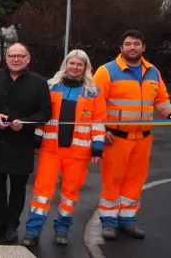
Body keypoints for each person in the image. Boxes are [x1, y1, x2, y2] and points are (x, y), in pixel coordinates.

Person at [94, 30, 171, 241]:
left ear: (143, 48)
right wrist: (102, 130)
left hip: (143, 138)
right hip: (115, 138)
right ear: (121, 48)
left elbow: (161, 100)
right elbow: (95, 104)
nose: (132, 47)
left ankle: (127, 221)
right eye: (128, 44)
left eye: (136, 44)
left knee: (135, 181)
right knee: (113, 180)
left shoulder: (153, 72)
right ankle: (108, 222)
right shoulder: (106, 71)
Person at [22, 50, 106, 247]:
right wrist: (37, 138)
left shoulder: (94, 92)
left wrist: (98, 147)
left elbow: (99, 121)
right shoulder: (51, 87)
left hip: (78, 153)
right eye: (72, 63)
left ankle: (62, 230)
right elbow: (42, 115)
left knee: (70, 195)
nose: (75, 67)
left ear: (86, 68)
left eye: (79, 64)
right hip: (51, 150)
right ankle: (32, 232)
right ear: (65, 65)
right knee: (42, 193)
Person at [0, 43, 51, 243]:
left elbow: (45, 112)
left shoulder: (38, 82)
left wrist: (26, 124)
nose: (16, 59)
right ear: (6, 58)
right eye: (12, 55)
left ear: (28, 59)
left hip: (22, 142)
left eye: (21, 56)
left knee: (18, 188)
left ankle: (12, 224)